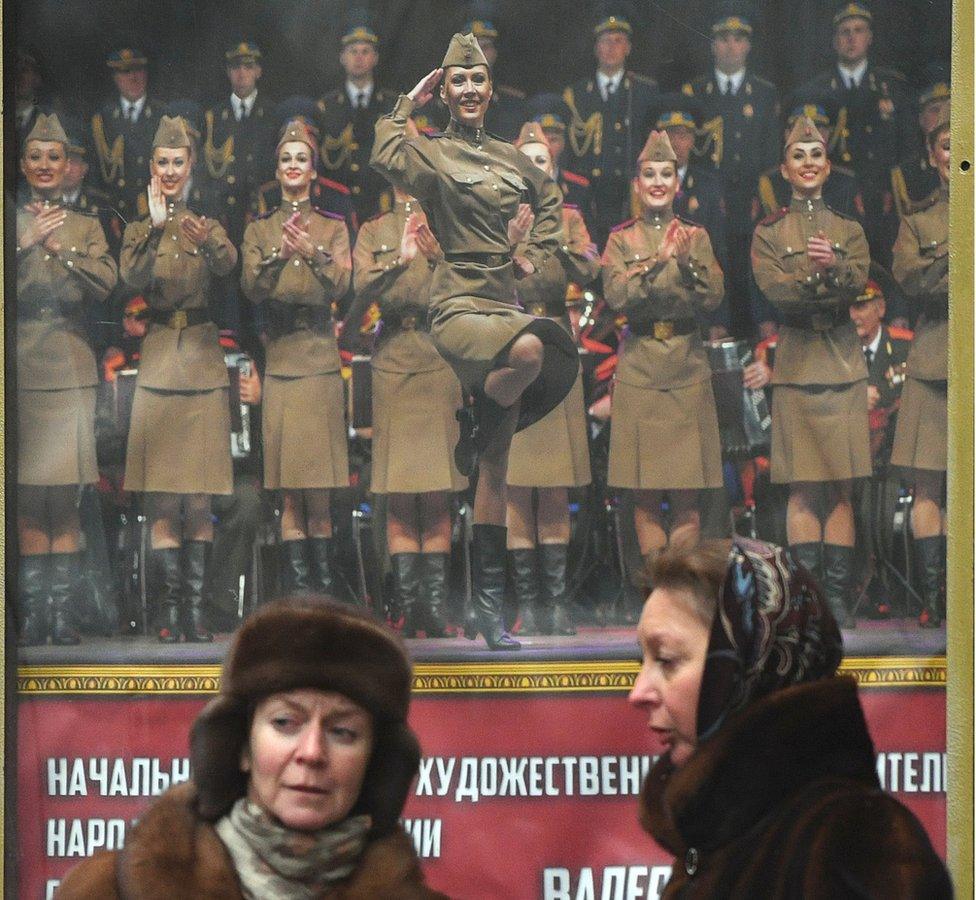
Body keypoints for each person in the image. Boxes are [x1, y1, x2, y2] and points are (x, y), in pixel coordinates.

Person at [370, 32, 578, 650]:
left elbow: (550, 201)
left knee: (495, 463)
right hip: (458, 303)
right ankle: (483, 409)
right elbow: (385, 153)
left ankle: (487, 612)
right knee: (534, 350)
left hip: (501, 299)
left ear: (489, 91)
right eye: (456, 82)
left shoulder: (516, 161)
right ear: (447, 92)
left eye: (476, 81)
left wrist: (527, 258)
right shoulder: (430, 155)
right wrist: (408, 101)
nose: (467, 90)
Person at [57, 599, 448, 899]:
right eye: (285, 723)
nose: (311, 752)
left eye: (343, 732)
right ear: (241, 747)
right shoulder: (105, 891)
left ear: (374, 762)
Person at [628, 539, 952, 898]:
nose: (638, 692)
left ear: (747, 665)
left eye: (667, 660)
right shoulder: (719, 838)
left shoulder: (851, 842)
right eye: (642, 663)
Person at [345, 124, 466, 637]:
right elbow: (359, 283)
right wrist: (402, 258)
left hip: (439, 359)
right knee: (398, 491)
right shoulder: (375, 229)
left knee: (437, 490)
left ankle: (430, 608)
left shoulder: (450, 220)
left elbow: (474, 280)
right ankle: (408, 598)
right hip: (393, 357)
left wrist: (438, 255)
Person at [120, 114, 237, 643]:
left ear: (191, 166)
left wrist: (206, 239)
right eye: (162, 163)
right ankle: (169, 612)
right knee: (165, 496)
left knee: (201, 498)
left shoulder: (205, 221)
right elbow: (131, 279)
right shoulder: (139, 226)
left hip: (204, 363)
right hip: (162, 356)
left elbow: (230, 266)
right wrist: (153, 226)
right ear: (152, 167)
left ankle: (195, 612)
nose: (169, 171)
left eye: (177, 162)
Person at [751, 115, 870, 629]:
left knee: (840, 485)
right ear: (785, 168)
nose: (808, 165)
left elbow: (859, 282)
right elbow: (773, 289)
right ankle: (808, 600)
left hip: (842, 362)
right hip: (797, 363)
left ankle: (838, 601)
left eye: (815, 156)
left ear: (827, 165)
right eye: (798, 157)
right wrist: (817, 274)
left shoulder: (849, 229)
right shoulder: (769, 231)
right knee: (802, 488)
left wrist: (836, 270)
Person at [602, 129, 725, 615]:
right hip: (639, 367)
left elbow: (713, 296)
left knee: (687, 494)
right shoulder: (619, 239)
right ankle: (656, 594)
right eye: (649, 174)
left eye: (666, 174)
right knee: (646, 494)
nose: (657, 182)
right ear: (638, 182)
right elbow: (617, 296)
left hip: (688, 365)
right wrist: (656, 263)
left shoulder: (697, 237)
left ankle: (680, 595)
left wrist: (686, 263)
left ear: (678, 181)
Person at [15, 113, 118, 646]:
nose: (46, 167)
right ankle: (36, 612)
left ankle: (62, 613)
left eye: (54, 158)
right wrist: (23, 242)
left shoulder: (87, 225)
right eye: (36, 157)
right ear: (24, 164)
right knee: (33, 494)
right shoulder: (11, 223)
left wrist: (61, 250)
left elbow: (107, 283)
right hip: (25, 365)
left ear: (66, 165)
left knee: (69, 495)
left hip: (72, 363)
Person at [241, 118, 352, 599]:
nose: (292, 166)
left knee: (319, 491)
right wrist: (278, 255)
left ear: (313, 170)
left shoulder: (332, 226)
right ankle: (301, 594)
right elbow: (250, 287)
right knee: (289, 489)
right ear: (277, 168)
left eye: (301, 158)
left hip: (320, 360)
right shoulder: (261, 228)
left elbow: (345, 284)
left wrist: (315, 252)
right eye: (286, 158)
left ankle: (323, 595)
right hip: (282, 360)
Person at [506, 122, 600, 636]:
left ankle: (558, 603)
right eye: (527, 160)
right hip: (512, 341)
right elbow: (479, 274)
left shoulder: (570, 219)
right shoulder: (498, 214)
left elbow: (591, 268)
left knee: (554, 483)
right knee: (518, 484)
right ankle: (530, 604)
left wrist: (563, 246)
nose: (534, 168)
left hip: (557, 345)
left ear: (554, 170)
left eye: (542, 161)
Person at [681, 8, 779, 337]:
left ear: (748, 46)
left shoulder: (764, 93)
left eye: (738, 39)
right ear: (712, 45)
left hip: (751, 204)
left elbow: (771, 154)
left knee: (752, 273)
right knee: (714, 267)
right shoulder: (695, 93)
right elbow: (690, 155)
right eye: (722, 39)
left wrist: (760, 197)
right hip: (709, 203)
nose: (730, 46)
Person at [797, 2, 914, 267]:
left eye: (859, 30)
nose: (851, 38)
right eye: (844, 32)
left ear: (869, 38)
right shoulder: (815, 91)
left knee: (884, 269)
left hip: (884, 198)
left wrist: (893, 189)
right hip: (836, 199)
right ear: (835, 41)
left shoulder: (891, 87)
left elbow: (907, 147)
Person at [889, 117, 949, 628]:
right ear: (933, 157)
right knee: (929, 485)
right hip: (935, 355)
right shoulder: (919, 220)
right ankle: (941, 599)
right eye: (950, 147)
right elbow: (911, 279)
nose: (959, 155)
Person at [562, 12, 659, 246]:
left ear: (628, 48)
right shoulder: (575, 94)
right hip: (588, 196)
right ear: (596, 48)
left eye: (618, 41)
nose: (611, 48)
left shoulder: (644, 92)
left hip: (629, 196)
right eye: (605, 41)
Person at [315, 19, 396, 220]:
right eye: (353, 51)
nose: (359, 57)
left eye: (365, 51)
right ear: (342, 57)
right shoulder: (325, 107)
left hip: (381, 205)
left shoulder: (392, 105)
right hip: (337, 206)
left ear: (375, 58)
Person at [90, 48, 162, 221]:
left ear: (145, 73)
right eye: (125, 72)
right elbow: (95, 176)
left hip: (152, 212)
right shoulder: (102, 120)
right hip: (114, 213)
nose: (133, 78)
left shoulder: (162, 115)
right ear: (115, 77)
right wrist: (108, 213)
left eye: (138, 70)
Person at [890, 63, 950, 217]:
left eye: (949, 107)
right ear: (921, 119)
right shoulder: (905, 174)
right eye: (935, 110)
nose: (943, 115)